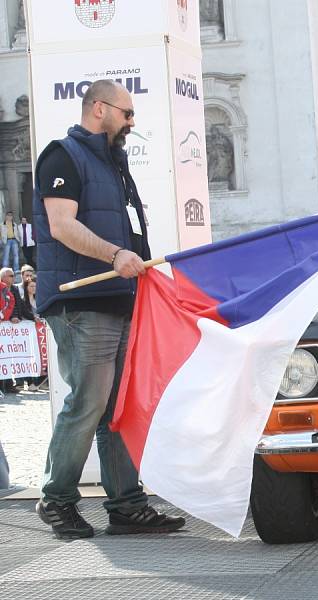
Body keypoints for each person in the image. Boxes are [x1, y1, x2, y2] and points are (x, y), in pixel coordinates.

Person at [33, 79, 184, 539]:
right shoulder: (63, 155)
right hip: (81, 302)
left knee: (116, 405)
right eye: (127, 113)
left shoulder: (114, 164)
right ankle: (56, 500)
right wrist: (116, 255)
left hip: (117, 302)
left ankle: (126, 505)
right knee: (90, 401)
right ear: (99, 108)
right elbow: (62, 226)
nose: (132, 122)